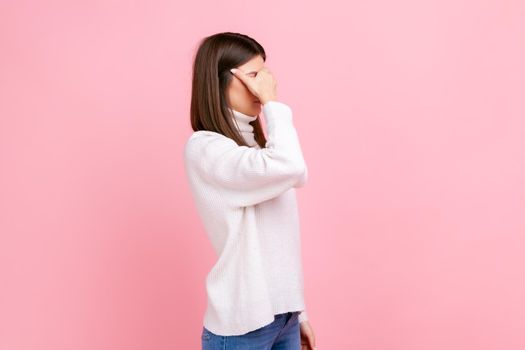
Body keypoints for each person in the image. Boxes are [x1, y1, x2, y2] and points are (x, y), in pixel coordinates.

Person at [184, 32, 317, 350]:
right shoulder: (206, 149)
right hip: (243, 327)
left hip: (282, 318)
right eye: (253, 76)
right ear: (219, 83)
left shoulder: (257, 146)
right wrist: (273, 104)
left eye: (266, 75)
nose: (264, 86)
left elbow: (277, 238)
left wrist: (298, 313)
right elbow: (292, 166)